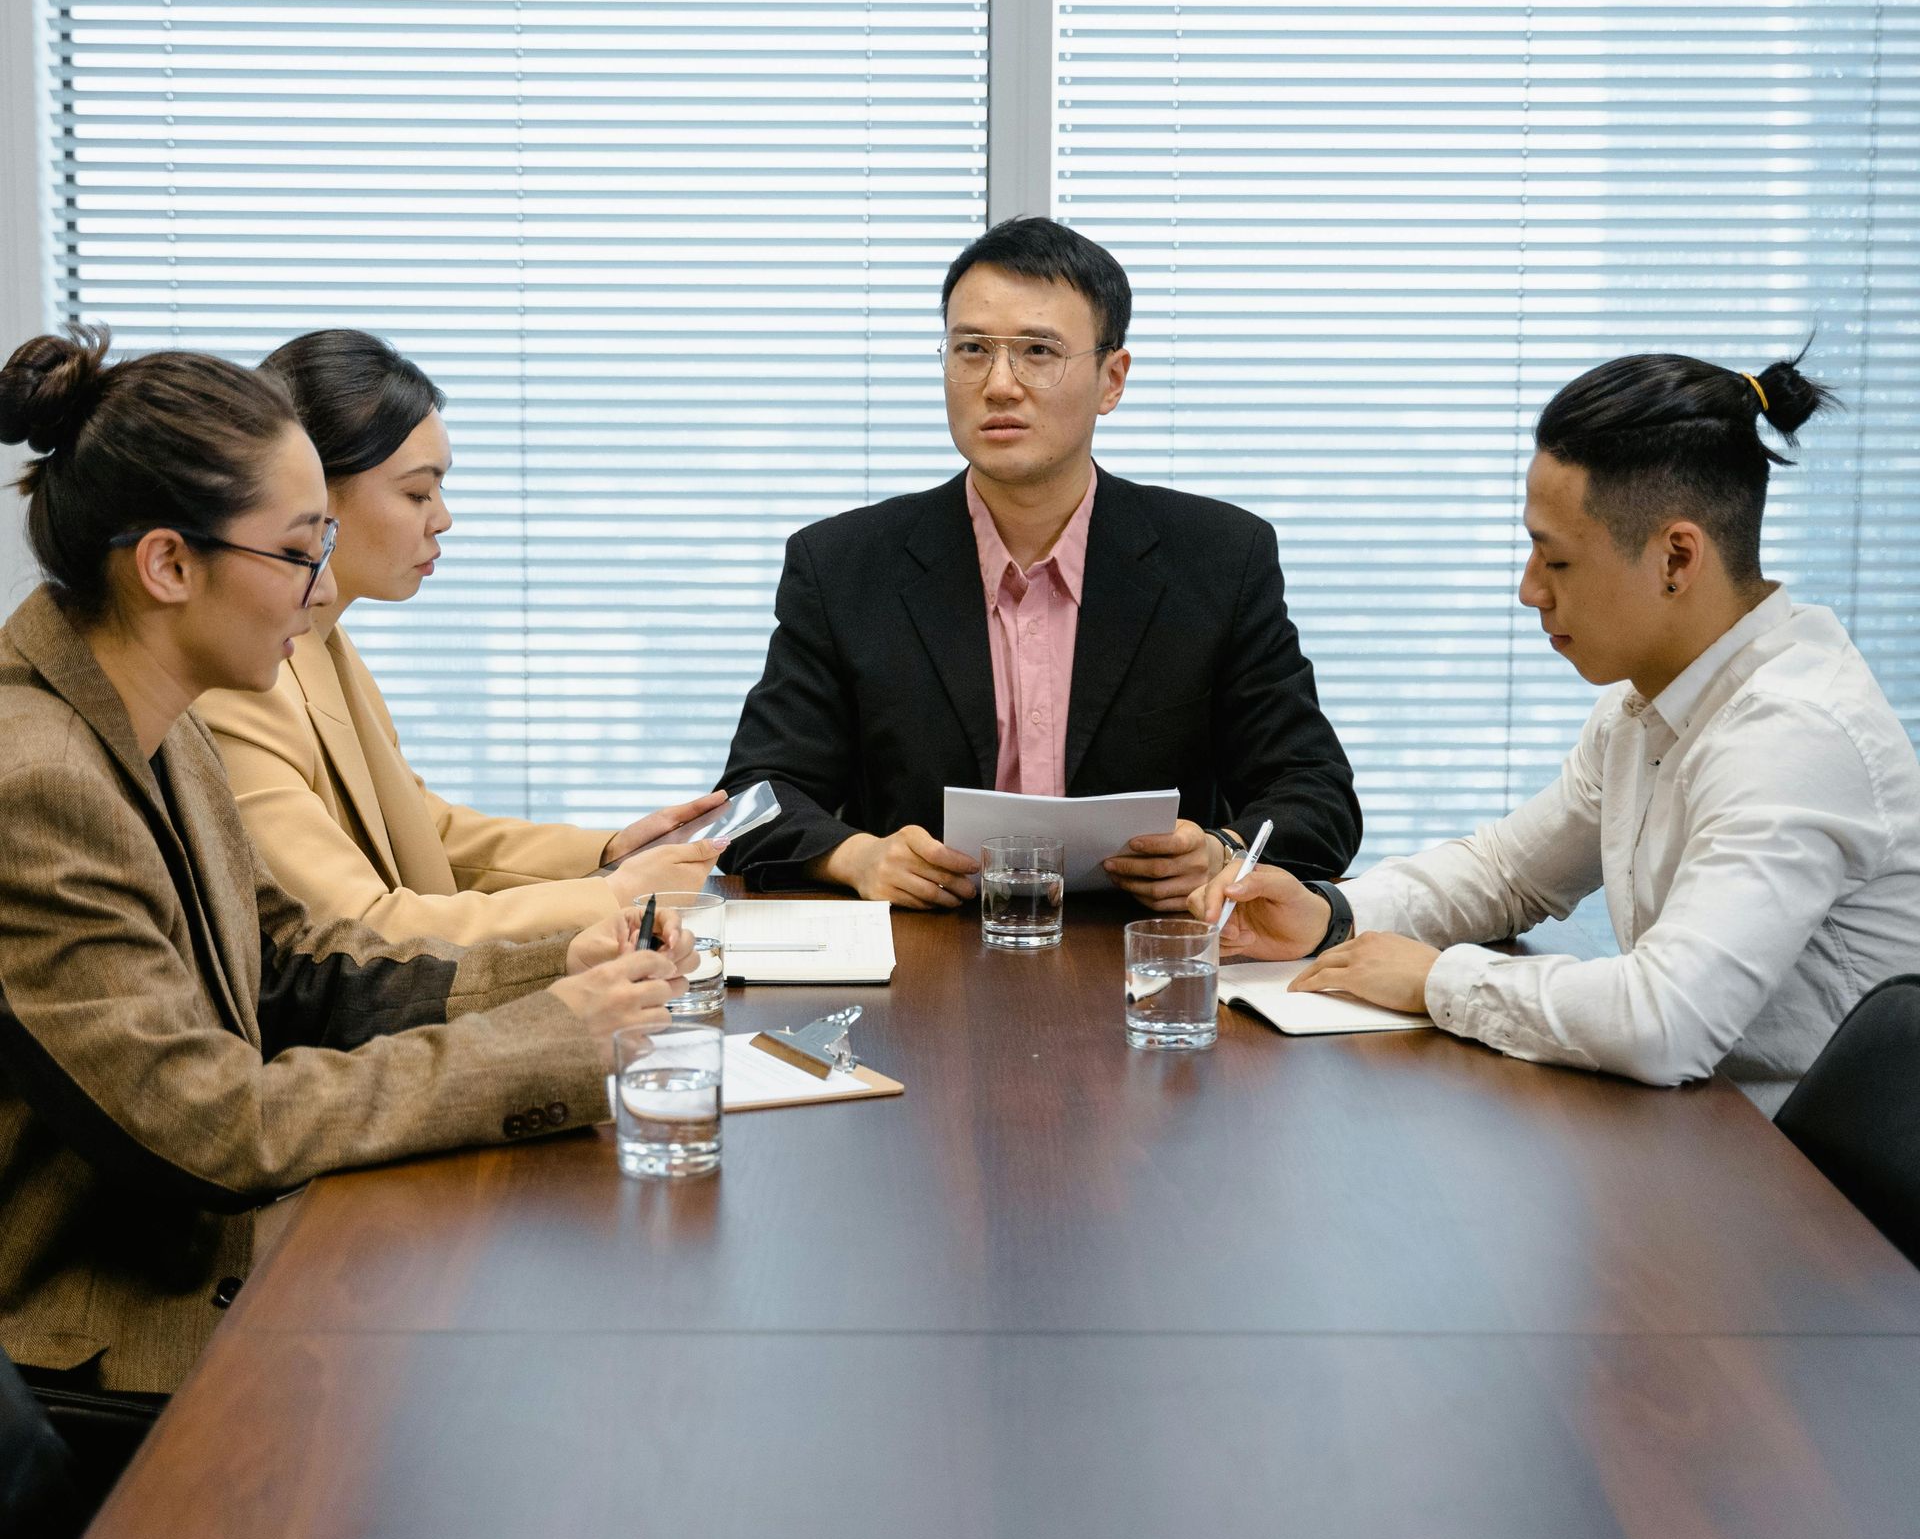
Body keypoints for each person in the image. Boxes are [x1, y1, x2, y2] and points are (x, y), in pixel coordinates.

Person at [0, 327, 686, 1398]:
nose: (321, 589)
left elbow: (294, 965)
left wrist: (559, 968)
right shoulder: (38, 781)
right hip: (116, 1338)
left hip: (214, 1255)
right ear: (169, 565)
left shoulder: (156, 717)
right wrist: (539, 1041)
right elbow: (214, 1124)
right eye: (299, 549)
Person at [1197, 351, 1920, 1098]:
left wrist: (1439, 981)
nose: (1528, 589)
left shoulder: (1793, 733)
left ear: (1677, 557)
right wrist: (1329, 913)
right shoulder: (1648, 705)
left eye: (1557, 559)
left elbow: (1664, 1021)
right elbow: (1509, 873)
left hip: (1809, 1181)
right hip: (1705, 1132)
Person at [721, 216, 1361, 907]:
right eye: (971, 349)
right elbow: (755, 800)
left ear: (1112, 379)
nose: (999, 384)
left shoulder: (1219, 559)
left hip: (1140, 957)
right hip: (919, 964)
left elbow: (1316, 796)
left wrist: (1220, 852)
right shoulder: (843, 566)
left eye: (1037, 352)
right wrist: (857, 858)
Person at [200, 329, 723, 943]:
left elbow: (421, 828)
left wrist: (612, 850)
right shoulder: (240, 675)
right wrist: (612, 896)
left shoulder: (322, 642)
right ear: (312, 492)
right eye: (417, 491)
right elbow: (359, 927)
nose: (442, 517)